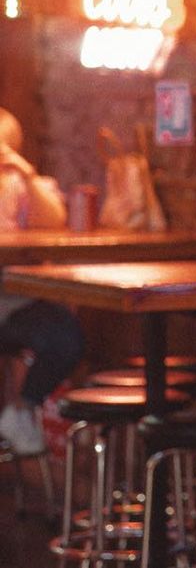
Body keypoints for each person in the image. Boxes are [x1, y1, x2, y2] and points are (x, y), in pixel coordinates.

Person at [0, 107, 84, 455]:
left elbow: (54, 220)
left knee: (67, 335)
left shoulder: (22, 184)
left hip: (18, 300)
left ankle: (21, 410)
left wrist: (25, 172)